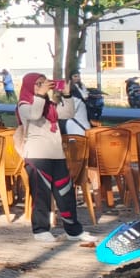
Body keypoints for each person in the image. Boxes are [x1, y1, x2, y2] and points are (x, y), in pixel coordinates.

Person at [18, 73, 94, 245]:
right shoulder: (24, 105)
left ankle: (74, 230)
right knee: (41, 194)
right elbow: (35, 115)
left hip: (57, 155)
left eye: (44, 83)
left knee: (66, 194)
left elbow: (67, 113)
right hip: (37, 156)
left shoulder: (49, 105)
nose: (43, 86)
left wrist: (67, 95)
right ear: (30, 86)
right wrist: (39, 95)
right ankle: (41, 230)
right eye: (38, 84)